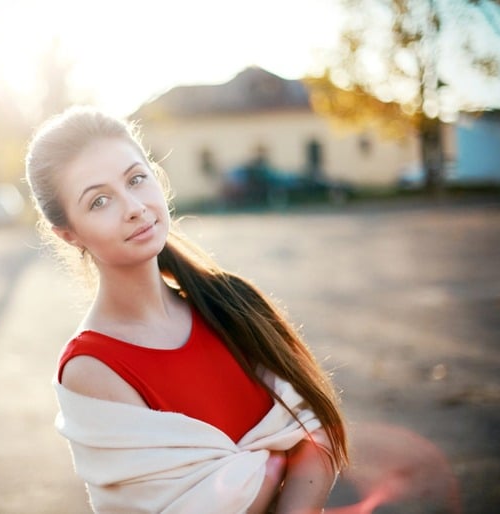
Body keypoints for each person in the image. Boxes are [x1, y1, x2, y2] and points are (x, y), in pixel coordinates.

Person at [25, 106, 349, 513]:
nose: (134, 207)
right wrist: (281, 459)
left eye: (136, 179)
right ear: (69, 234)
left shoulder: (232, 302)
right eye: (100, 200)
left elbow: (318, 431)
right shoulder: (92, 367)